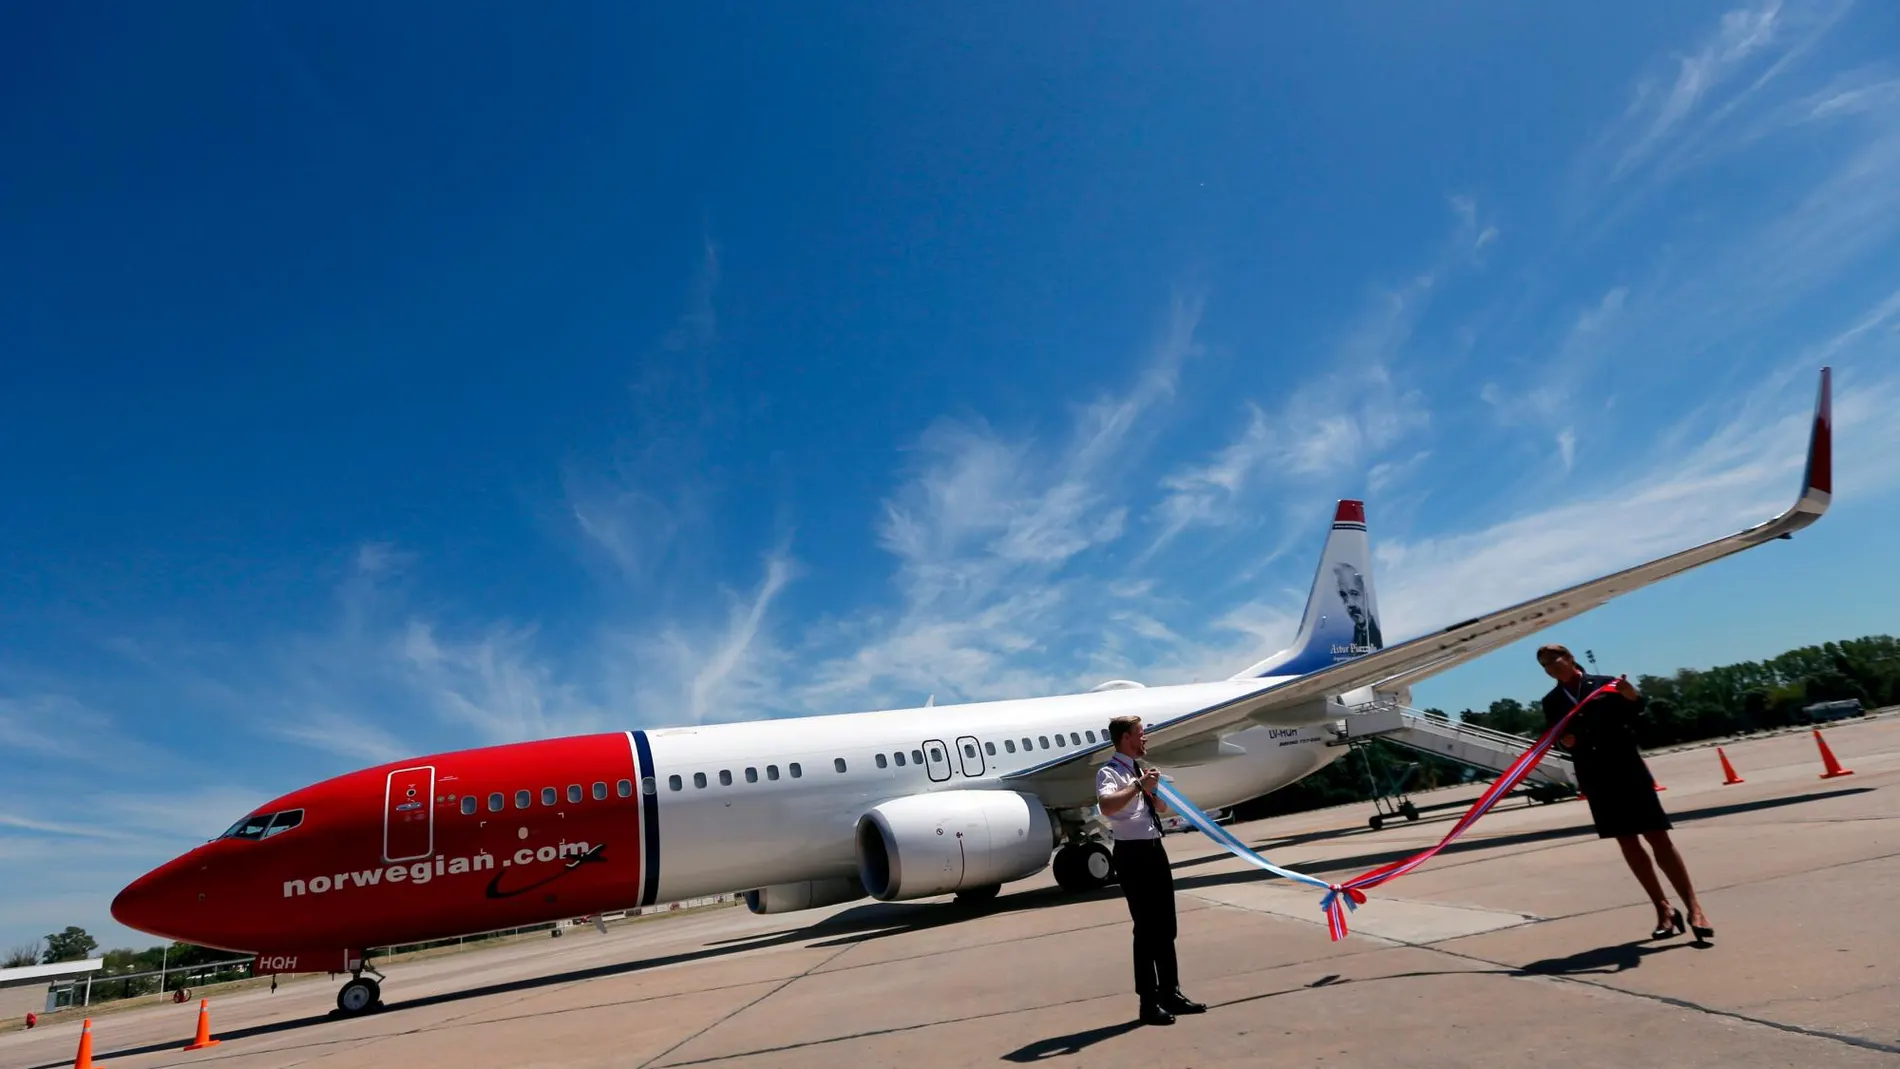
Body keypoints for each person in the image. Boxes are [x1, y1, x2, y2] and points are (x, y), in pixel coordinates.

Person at [1537, 643, 1713, 942]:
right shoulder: (1552, 700)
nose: (1550, 667)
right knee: (1627, 842)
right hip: (1595, 775)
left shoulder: (1605, 684)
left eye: (1554, 659)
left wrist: (1632, 695)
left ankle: (1694, 908)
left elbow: (1636, 711)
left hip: (1627, 768)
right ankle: (1663, 909)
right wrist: (1564, 742)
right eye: (1544, 665)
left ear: (1570, 658)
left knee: (1658, 836)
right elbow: (1555, 736)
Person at [1096, 714, 1206, 1025]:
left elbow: (1159, 809)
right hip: (1132, 854)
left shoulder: (1139, 770)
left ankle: (1171, 992)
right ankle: (1148, 1002)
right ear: (1126, 738)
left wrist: (1154, 795)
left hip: (1155, 849)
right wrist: (1138, 786)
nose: (1145, 739)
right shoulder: (1110, 772)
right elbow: (1107, 806)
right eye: (1140, 734)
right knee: (1145, 929)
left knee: (1166, 926)